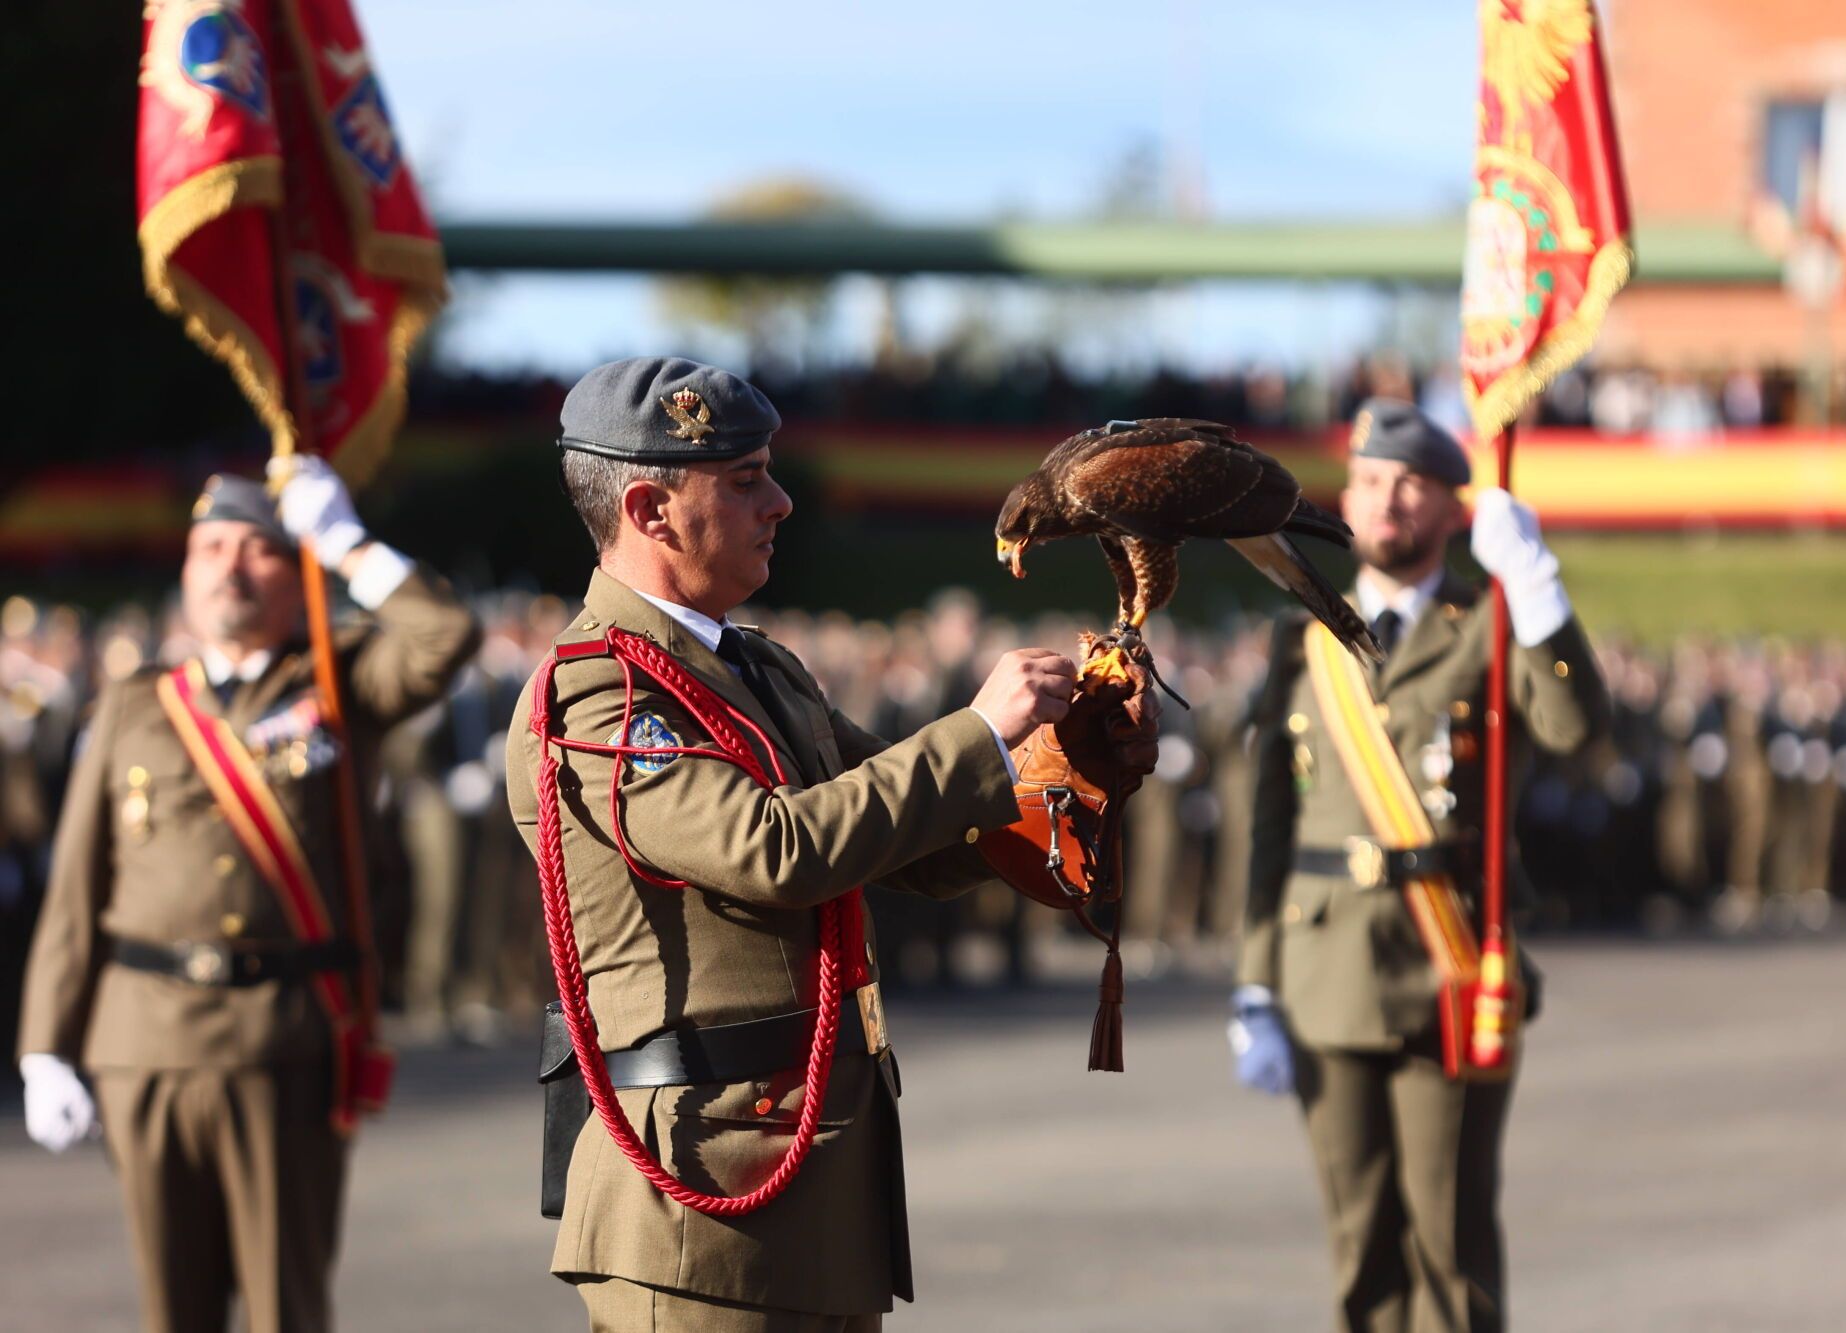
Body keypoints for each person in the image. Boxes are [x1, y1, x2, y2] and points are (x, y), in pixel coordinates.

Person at [506, 356, 1142, 1332]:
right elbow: (776, 850)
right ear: (648, 509)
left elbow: (910, 845)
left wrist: (1057, 766)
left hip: (802, 1178)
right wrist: (977, 731)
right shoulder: (601, 693)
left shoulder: (754, 666)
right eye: (744, 477)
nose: (781, 501)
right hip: (701, 1200)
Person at [16, 462, 479, 1333]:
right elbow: (77, 886)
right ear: (186, 567)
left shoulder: (341, 679)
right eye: (211, 547)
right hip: (143, 1038)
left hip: (287, 1039)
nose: (229, 568)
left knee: (283, 1307)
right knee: (173, 1310)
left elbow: (444, 634)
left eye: (260, 549)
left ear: (296, 565)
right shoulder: (133, 701)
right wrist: (46, 1044)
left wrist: (347, 543)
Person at [1230, 399, 1608, 1333]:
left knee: (1448, 1242)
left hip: (1451, 965)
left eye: (1413, 483)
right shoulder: (1303, 633)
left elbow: (1576, 727)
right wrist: (1253, 983)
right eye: (1368, 480)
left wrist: (1540, 593)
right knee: (1360, 1242)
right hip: (1326, 971)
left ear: (1452, 508)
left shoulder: (1488, 625)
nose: (1387, 499)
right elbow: (1268, 827)